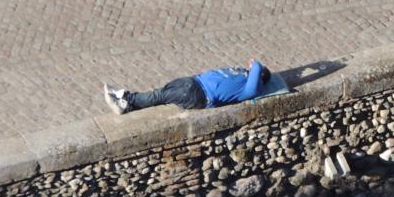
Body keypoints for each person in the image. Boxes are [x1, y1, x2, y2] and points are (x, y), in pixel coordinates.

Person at [104, 60, 271, 114]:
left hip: (199, 95)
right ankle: (127, 101)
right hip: (194, 82)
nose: (249, 69)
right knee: (161, 92)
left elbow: (256, 67)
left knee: (160, 96)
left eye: (253, 72)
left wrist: (256, 64)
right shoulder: (242, 75)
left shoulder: (252, 89)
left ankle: (126, 102)